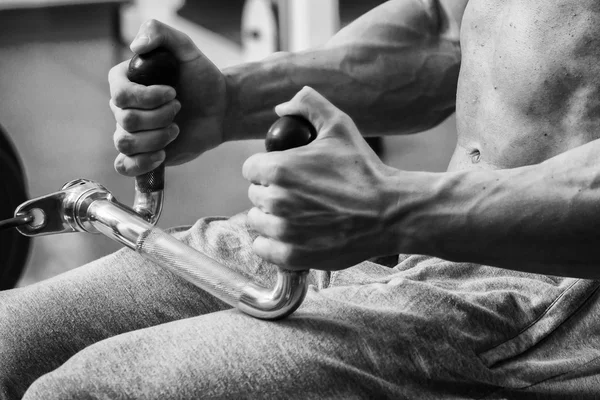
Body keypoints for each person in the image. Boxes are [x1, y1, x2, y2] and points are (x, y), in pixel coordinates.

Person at [3, 0, 600, 398]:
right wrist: (232, 100)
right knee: (9, 344)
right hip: (408, 234)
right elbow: (442, 30)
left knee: (93, 390)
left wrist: (397, 207)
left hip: (554, 297)